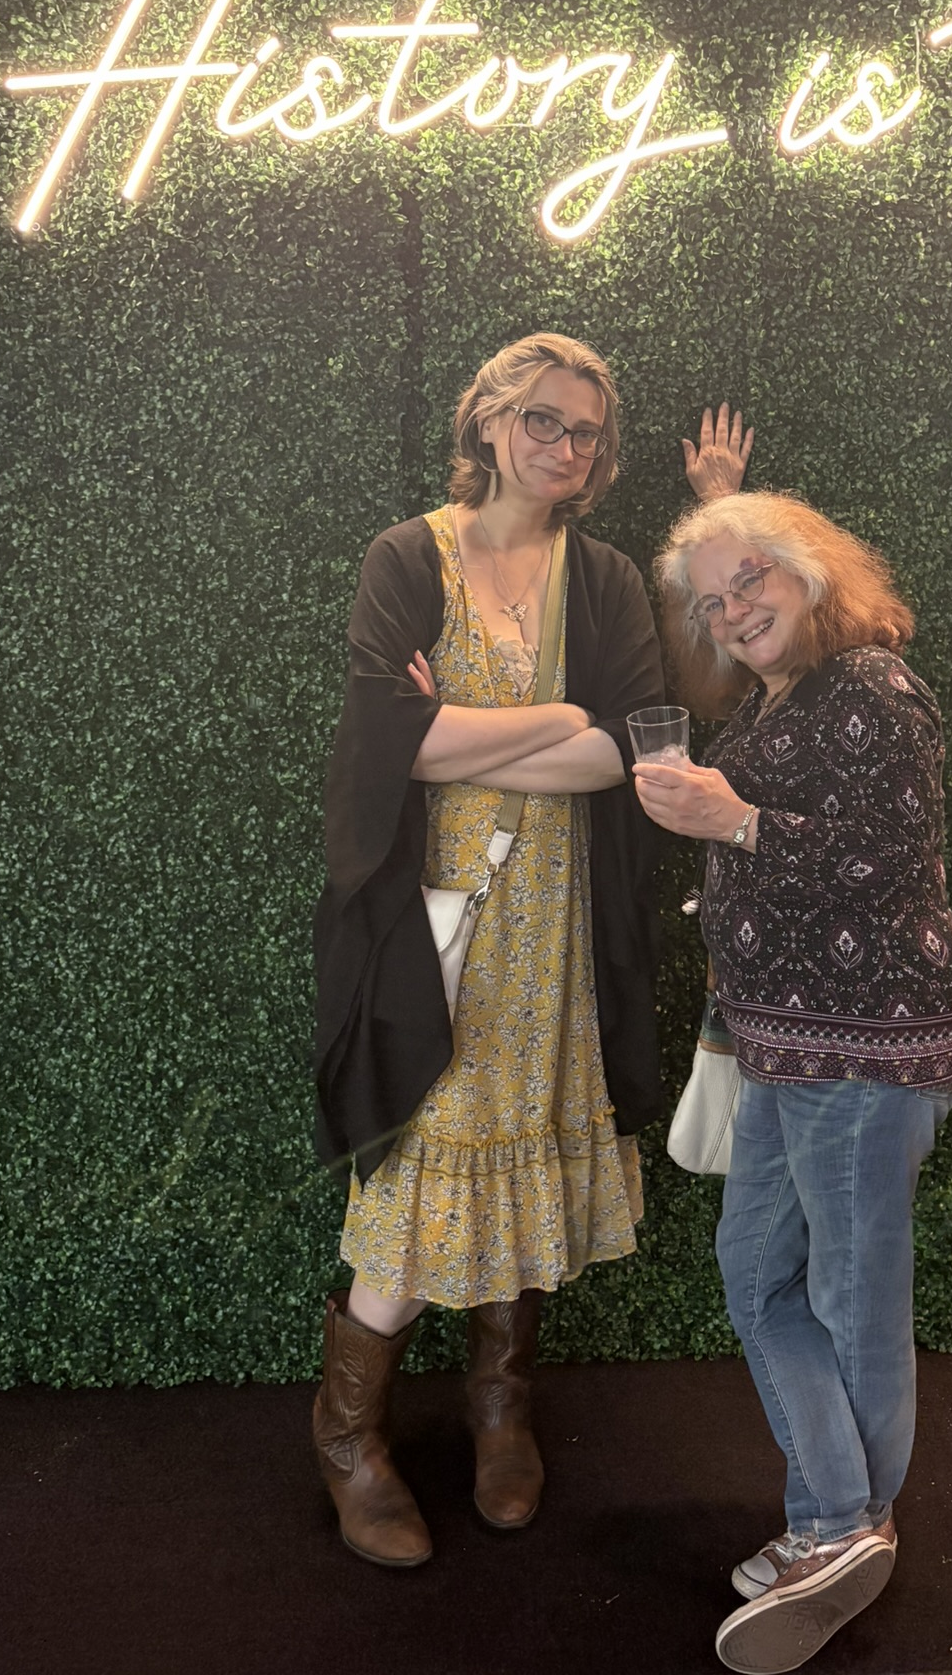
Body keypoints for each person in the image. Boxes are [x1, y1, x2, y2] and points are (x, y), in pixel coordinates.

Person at [311, 348, 753, 1567]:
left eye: (591, 437)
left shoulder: (602, 577)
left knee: (537, 1157)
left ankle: (504, 1408)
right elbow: (383, 746)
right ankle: (348, 1434)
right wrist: (551, 720)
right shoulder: (408, 557)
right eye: (546, 423)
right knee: (413, 1180)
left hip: (563, 928)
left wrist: (462, 733)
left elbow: (629, 747)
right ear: (493, 422)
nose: (569, 449)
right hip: (437, 923)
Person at [635, 492, 952, 1675]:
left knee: (851, 1301)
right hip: (784, 1045)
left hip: (867, 1052)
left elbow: (883, 866)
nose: (736, 609)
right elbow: (784, 846)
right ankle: (843, 1519)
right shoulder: (787, 696)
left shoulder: (875, 688)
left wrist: (732, 822)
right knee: (755, 1268)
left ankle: (834, 1526)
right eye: (716, 599)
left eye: (754, 582)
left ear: (813, 574)